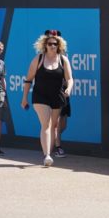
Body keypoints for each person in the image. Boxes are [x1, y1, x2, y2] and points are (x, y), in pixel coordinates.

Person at [21, 30, 73, 168]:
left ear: (59, 45)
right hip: (40, 96)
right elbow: (28, 79)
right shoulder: (38, 59)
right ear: (45, 45)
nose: (52, 46)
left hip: (57, 96)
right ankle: (47, 155)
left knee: (54, 126)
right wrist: (24, 98)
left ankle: (49, 151)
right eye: (50, 43)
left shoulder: (63, 59)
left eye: (55, 43)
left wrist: (69, 88)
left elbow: (70, 78)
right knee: (46, 124)